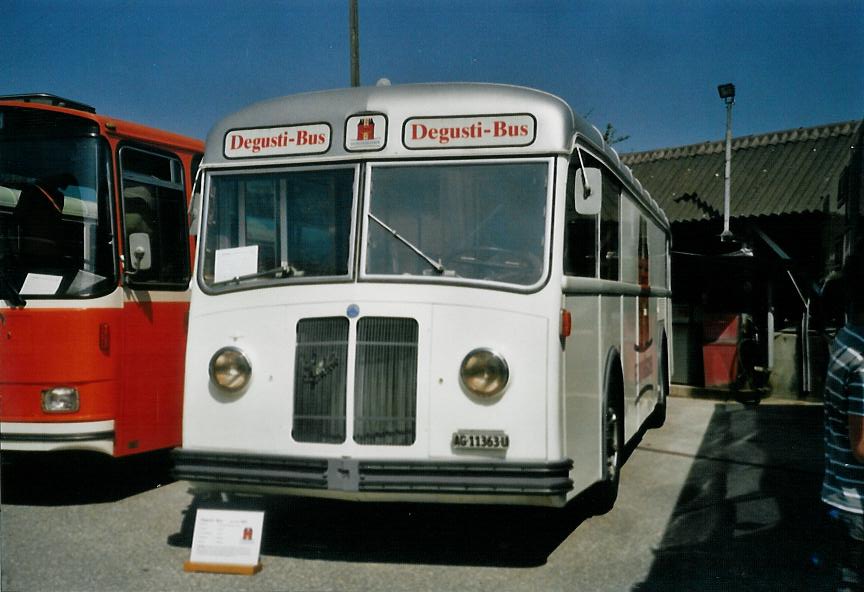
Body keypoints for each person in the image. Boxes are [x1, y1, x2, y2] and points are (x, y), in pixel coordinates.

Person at [822, 246, 864, 591]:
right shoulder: (863, 359)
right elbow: (862, 446)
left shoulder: (845, 340)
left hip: (840, 495)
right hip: (858, 507)